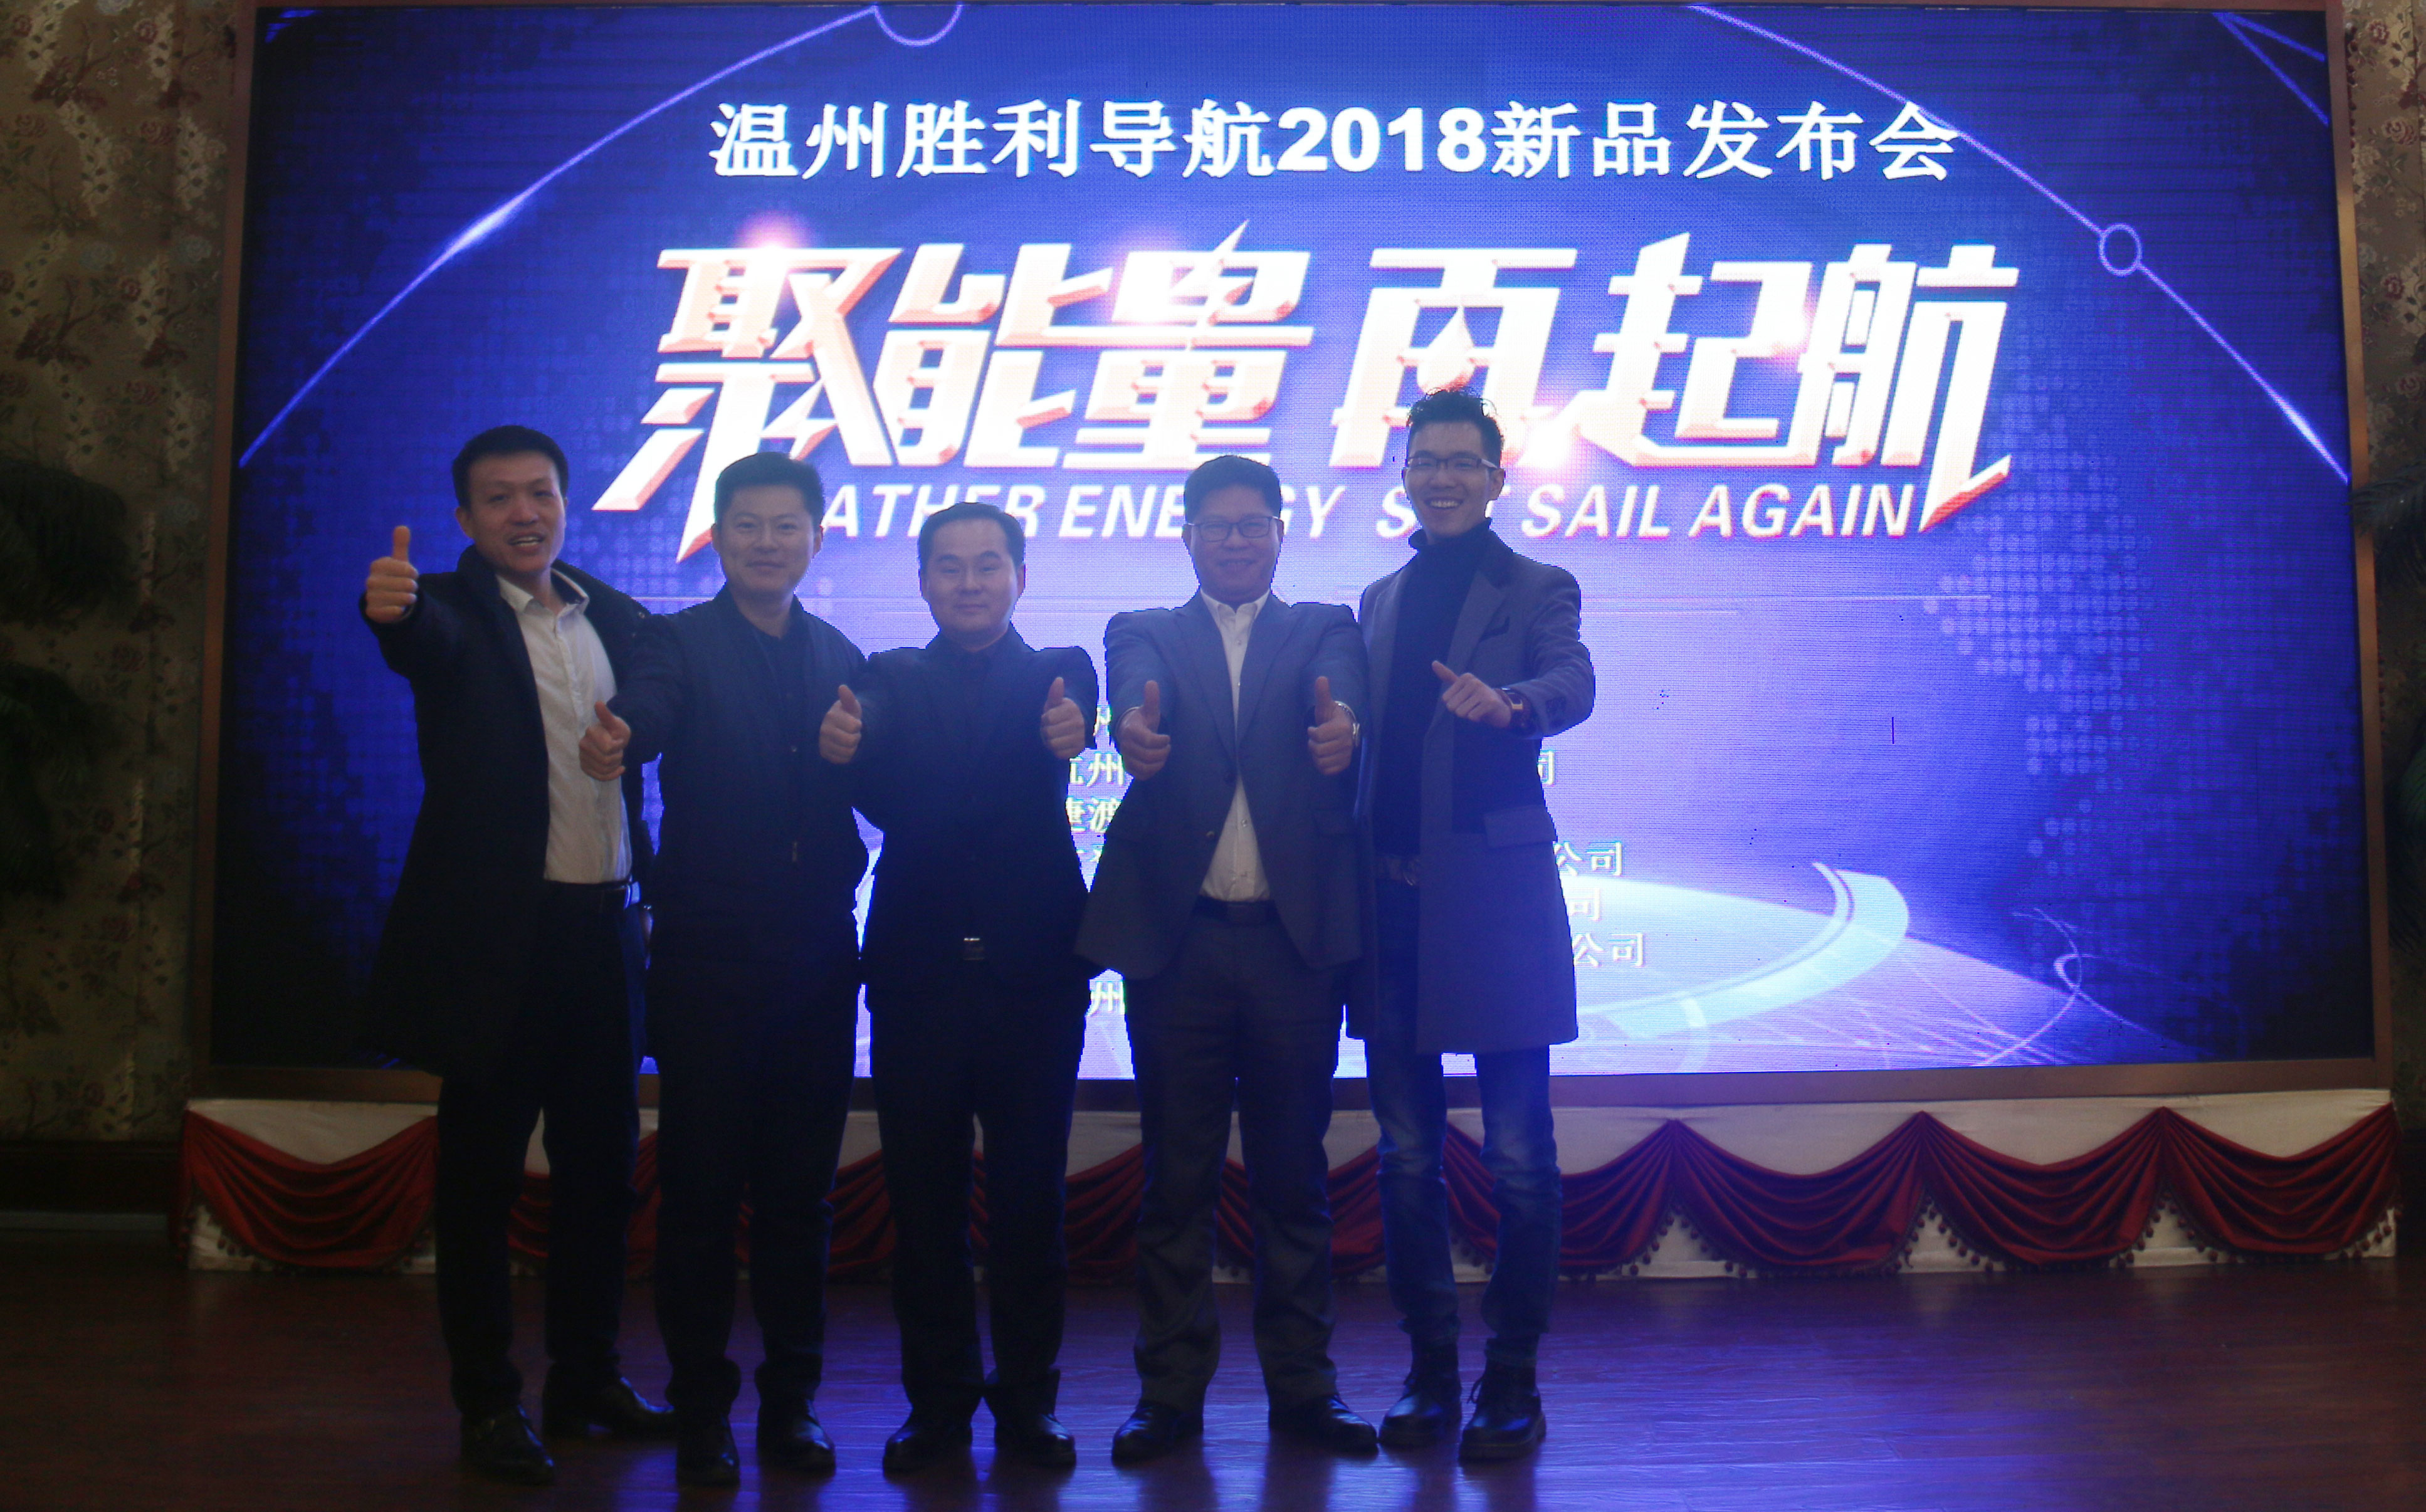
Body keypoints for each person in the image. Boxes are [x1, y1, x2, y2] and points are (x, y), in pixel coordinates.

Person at [359, 425, 673, 1486]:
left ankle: (585, 1381)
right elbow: (423, 643)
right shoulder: (447, 608)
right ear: (466, 520)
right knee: (480, 1184)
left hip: (605, 936)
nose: (524, 514)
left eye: (539, 493)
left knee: (600, 1181)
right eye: (498, 499)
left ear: (564, 503)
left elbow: (662, 682)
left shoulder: (611, 613)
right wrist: (393, 611)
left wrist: (634, 728)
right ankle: (489, 1405)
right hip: (499, 946)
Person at [1076, 454, 1375, 1465]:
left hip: (1293, 949)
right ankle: (1167, 1396)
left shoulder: (1324, 626)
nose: (1236, 540)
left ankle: (1305, 1390)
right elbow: (1132, 694)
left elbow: (1346, 699)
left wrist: (1345, 729)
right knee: (1177, 1181)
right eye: (1218, 525)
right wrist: (1130, 727)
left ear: (1282, 533)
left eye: (1254, 524)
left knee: (1293, 1180)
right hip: (1182, 945)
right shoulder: (1144, 628)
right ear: (1187, 536)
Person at [576, 451, 864, 1486]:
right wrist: (624, 735)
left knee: (799, 1199)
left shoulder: (843, 655)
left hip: (819, 957)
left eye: (786, 526)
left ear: (816, 539)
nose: (766, 542)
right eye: (747, 524)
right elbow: (649, 707)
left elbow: (879, 781)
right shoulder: (677, 642)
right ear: (718, 534)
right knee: (698, 1195)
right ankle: (703, 1412)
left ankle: (791, 1406)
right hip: (706, 956)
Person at [816, 501, 1099, 1474]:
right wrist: (853, 737)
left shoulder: (1058, 668)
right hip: (918, 978)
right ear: (924, 582)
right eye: (949, 566)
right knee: (924, 1207)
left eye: (987, 565)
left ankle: (1027, 1406)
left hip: (1035, 981)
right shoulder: (889, 676)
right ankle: (936, 1406)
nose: (969, 583)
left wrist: (1073, 725)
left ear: (1019, 576)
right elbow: (874, 718)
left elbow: (1076, 706)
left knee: (1029, 1206)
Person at [1353, 386, 1595, 1462]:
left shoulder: (1537, 585)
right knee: (1405, 1156)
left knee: (1519, 1157)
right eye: (1425, 461)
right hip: (1391, 904)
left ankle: (1512, 1378)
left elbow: (1572, 679)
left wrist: (1514, 707)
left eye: (1463, 461)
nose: (1442, 478)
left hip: (1495, 903)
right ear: (1404, 476)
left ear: (1497, 478)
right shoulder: (1378, 600)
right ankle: (1429, 1372)